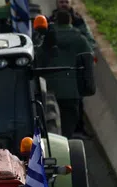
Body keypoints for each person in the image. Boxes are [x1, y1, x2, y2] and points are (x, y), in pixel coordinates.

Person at [35, 10, 93, 138]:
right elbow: (89, 59)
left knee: (50, 128)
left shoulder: (47, 39)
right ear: (70, 21)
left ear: (56, 21)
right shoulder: (80, 39)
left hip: (50, 91)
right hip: (72, 91)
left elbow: (37, 59)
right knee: (68, 127)